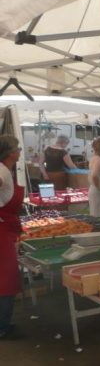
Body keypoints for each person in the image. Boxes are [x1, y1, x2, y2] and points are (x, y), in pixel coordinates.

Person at [0, 135, 23, 340]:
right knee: (6, 278)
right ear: (10, 153)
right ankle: (2, 326)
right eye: (18, 148)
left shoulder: (6, 170)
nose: (20, 151)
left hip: (6, 227)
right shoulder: (1, 171)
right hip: (1, 229)